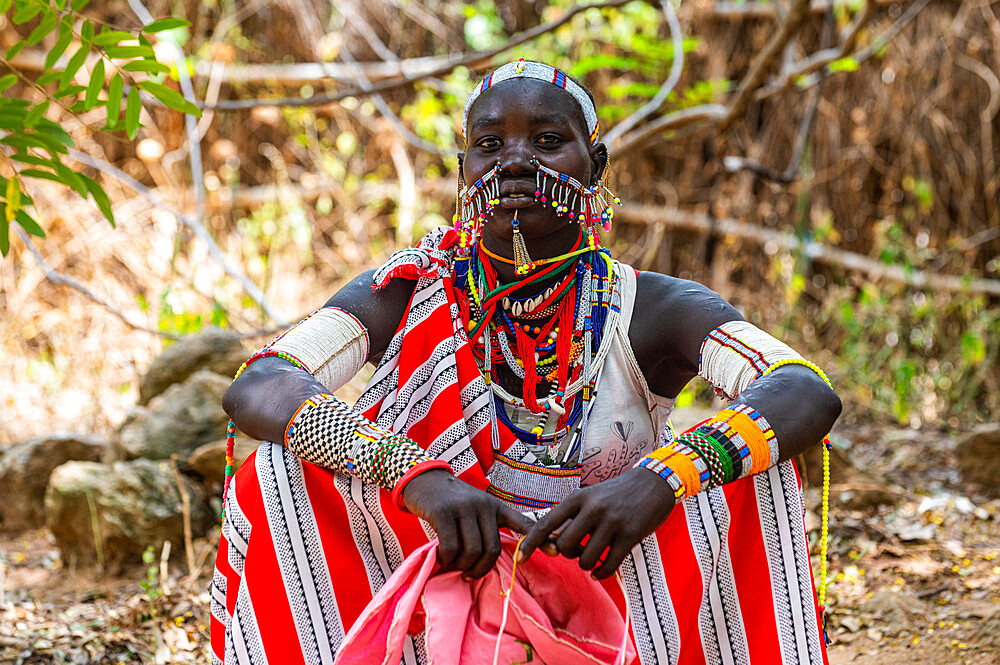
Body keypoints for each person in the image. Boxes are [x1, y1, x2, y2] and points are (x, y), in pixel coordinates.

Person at [211, 59, 842, 665]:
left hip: (605, 564)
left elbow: (803, 390)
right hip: (446, 553)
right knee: (280, 469)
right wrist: (419, 479)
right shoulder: (406, 288)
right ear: (464, 172)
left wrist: (660, 478)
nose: (516, 161)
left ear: (593, 165)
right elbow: (261, 382)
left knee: (752, 468)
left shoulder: (653, 308)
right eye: (489, 145)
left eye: (547, 139)